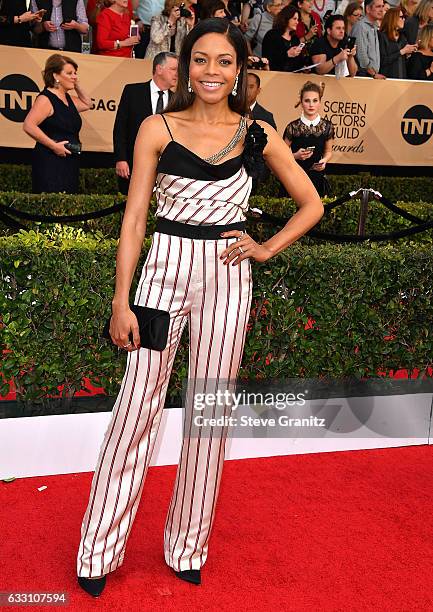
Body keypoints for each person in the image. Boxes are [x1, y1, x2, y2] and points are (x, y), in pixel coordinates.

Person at [76, 17, 323, 598]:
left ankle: (188, 545)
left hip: (228, 275)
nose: (212, 72)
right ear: (187, 65)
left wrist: (265, 247)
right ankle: (97, 549)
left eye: (225, 62)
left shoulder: (257, 134)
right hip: (162, 270)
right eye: (202, 60)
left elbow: (311, 203)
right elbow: (134, 217)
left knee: (209, 414)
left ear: (240, 71)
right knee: (136, 407)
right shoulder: (155, 128)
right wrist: (121, 298)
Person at [22, 54, 91, 194]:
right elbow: (28, 125)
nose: (74, 76)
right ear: (56, 76)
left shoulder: (68, 98)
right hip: (50, 161)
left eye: (75, 73)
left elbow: (88, 103)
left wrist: (75, 83)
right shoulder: (45, 99)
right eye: (69, 73)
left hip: (70, 161)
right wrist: (53, 146)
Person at [114, 51, 178, 195]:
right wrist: (121, 159)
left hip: (166, 170)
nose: (177, 74)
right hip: (133, 165)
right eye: (173, 69)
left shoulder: (177, 100)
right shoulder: (133, 92)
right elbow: (120, 128)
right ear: (159, 69)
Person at [283, 81, 333, 198]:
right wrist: (295, 156)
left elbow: (328, 152)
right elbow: (282, 154)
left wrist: (324, 161)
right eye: (307, 101)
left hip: (317, 179)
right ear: (301, 103)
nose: (311, 105)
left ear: (320, 102)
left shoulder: (327, 127)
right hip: (294, 177)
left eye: (315, 100)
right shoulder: (292, 127)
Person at [262, 4, 306, 71]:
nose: (297, 22)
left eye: (298, 19)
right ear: (286, 18)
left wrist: (304, 67)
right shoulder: (271, 35)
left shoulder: (295, 38)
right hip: (274, 76)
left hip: (293, 77)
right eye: (294, 19)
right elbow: (267, 59)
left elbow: (298, 62)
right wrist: (287, 54)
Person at [351, 0, 386, 77]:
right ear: (368, 9)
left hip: (371, 75)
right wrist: (373, 74)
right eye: (378, 6)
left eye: (382, 6)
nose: (381, 10)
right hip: (363, 75)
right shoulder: (361, 26)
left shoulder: (374, 26)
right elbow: (361, 54)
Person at [379, 7, 417, 77]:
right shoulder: (382, 36)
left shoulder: (402, 37)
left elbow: (404, 61)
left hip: (402, 77)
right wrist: (402, 51)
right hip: (386, 79)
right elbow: (382, 61)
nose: (404, 19)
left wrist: (408, 53)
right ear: (393, 18)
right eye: (401, 17)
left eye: (404, 17)